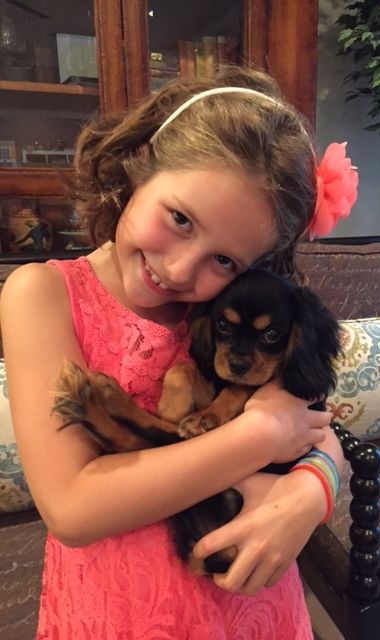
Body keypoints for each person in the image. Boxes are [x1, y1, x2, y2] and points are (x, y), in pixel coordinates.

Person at [1, 67, 348, 640]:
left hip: (252, 611)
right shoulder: (41, 295)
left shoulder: (223, 312)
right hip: (119, 613)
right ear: (139, 166)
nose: (182, 270)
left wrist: (316, 487)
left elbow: (313, 423)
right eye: (180, 219)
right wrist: (259, 436)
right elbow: (73, 509)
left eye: (225, 260)